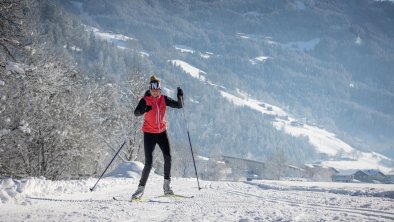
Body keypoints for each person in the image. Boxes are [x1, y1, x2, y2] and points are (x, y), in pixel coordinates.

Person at [132, 75, 183, 199]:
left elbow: (179, 105)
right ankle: (140, 190)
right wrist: (145, 109)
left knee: (168, 157)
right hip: (149, 133)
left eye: (157, 89)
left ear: (160, 90)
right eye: (152, 89)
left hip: (161, 133)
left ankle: (167, 187)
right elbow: (136, 113)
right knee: (148, 163)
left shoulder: (164, 99)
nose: (155, 91)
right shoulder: (145, 100)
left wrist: (180, 96)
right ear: (150, 89)